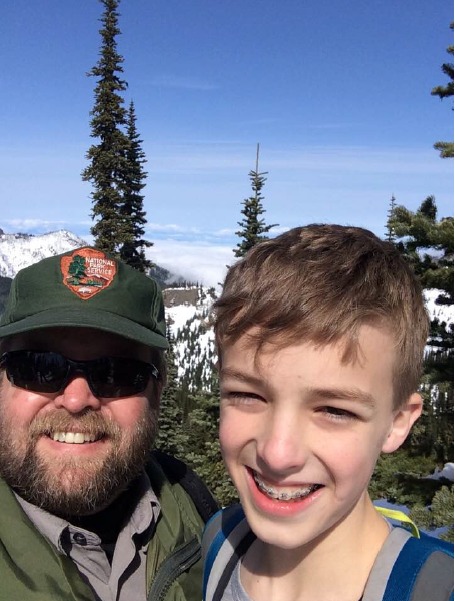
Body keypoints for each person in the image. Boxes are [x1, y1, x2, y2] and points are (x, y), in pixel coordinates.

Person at [202, 224, 453, 601]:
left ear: (397, 422)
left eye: (335, 410)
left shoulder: (436, 589)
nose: (278, 453)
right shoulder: (219, 544)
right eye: (247, 395)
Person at [0, 246, 217, 601]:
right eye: (39, 367)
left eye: (117, 373)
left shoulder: (200, 517)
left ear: (158, 390)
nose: (75, 400)